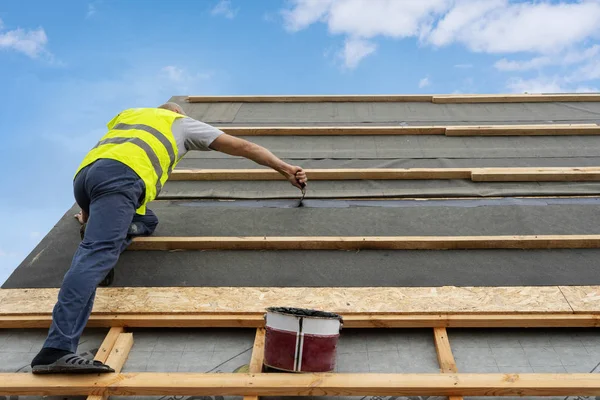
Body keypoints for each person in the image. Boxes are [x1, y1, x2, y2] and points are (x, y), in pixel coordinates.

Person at [30, 102, 307, 374]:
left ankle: (103, 227)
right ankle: (56, 349)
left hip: (86, 178)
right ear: (176, 112)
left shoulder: (130, 115)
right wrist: (284, 168)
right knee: (95, 255)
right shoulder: (179, 123)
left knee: (147, 220)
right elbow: (244, 147)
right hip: (122, 178)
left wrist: (88, 214)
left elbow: (112, 155)